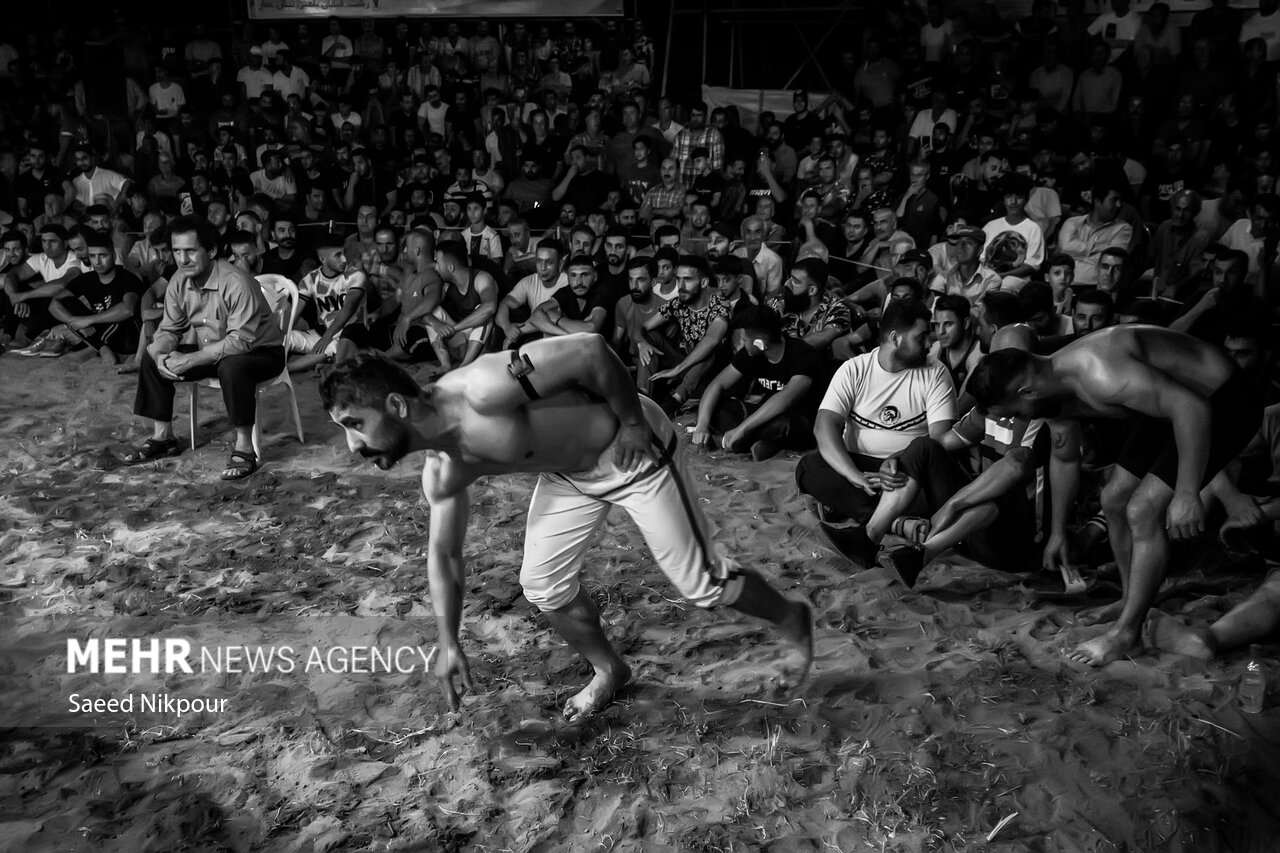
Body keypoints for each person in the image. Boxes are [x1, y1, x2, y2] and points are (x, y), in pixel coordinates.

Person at [319, 339, 813, 719]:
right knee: (541, 586)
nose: (351, 445)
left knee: (702, 585)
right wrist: (449, 643)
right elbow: (444, 555)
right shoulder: (444, 470)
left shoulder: (484, 388)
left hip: (632, 452)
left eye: (353, 424)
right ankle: (610, 670)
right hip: (569, 476)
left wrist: (633, 422)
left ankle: (792, 619)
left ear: (396, 406)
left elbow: (590, 351)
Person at [968, 326, 1264, 666]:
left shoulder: (1102, 373)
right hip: (1173, 404)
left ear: (1027, 391)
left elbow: (1191, 409)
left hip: (1222, 401)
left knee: (1143, 509)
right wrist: (1059, 532)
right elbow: (1065, 457)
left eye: (1016, 413)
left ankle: (1127, 634)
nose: (1019, 420)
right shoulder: (1050, 389)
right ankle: (1130, 600)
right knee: (1114, 499)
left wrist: (1186, 493)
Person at [121, 216, 285, 481]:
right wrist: (161, 354)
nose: (182, 259)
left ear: (211, 251)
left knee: (233, 365)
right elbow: (170, 329)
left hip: (261, 352)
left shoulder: (235, 282)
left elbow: (240, 342)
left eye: (190, 251)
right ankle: (163, 437)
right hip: (213, 351)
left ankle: (245, 448)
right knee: (153, 356)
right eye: (177, 251)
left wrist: (190, 360)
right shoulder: (178, 280)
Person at [795, 298, 958, 563]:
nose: (930, 345)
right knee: (808, 467)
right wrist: (854, 475)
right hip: (863, 473)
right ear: (895, 338)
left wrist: (897, 466)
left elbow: (938, 443)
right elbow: (824, 426)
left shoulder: (935, 374)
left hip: (908, 477)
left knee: (923, 472)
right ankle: (896, 524)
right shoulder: (855, 370)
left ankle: (861, 511)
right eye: (922, 337)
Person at [691, 306, 824, 461]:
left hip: (798, 418)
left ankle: (739, 442)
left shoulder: (803, 356)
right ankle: (760, 445)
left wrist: (742, 429)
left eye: (745, 340)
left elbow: (785, 398)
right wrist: (702, 425)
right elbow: (717, 384)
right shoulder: (752, 352)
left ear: (761, 343)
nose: (742, 342)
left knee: (788, 425)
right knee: (719, 409)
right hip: (764, 415)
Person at [288, 231, 369, 373]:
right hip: (323, 334)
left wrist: (327, 337)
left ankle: (286, 370)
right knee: (285, 338)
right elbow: (295, 311)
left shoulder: (355, 275)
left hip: (349, 335)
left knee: (332, 348)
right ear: (323, 259)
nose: (344, 259)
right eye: (337, 255)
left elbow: (348, 308)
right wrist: (281, 333)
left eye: (344, 253)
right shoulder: (310, 279)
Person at [528, 254, 609, 337]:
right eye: (573, 275)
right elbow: (535, 316)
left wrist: (558, 320)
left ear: (595, 276)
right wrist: (564, 333)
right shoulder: (566, 291)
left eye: (584, 275)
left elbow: (591, 328)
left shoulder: (602, 293)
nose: (579, 282)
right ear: (568, 277)